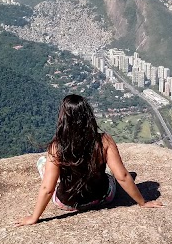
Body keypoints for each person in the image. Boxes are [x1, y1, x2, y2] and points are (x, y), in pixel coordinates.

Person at [16, 94, 163, 226]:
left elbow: (47, 189)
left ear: (63, 119)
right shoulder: (104, 141)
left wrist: (34, 217)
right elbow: (123, 176)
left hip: (67, 203)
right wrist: (142, 202)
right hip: (103, 197)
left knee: (42, 162)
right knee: (109, 173)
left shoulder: (57, 147)